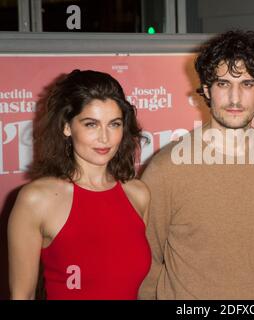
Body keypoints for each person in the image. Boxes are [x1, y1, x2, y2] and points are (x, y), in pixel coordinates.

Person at [139, 30, 254, 299]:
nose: (235, 98)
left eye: (247, 84)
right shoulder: (165, 169)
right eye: (223, 84)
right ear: (206, 88)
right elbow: (147, 259)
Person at [8, 70, 152, 300]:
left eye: (114, 124)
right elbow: (21, 295)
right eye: (91, 124)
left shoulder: (138, 194)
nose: (105, 138)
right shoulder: (36, 199)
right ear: (67, 127)